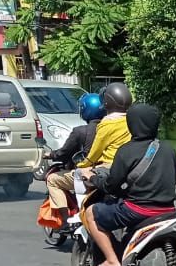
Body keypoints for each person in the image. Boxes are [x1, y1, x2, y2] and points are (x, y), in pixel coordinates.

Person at [82, 103, 176, 266]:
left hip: (138, 210)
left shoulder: (127, 151)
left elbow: (110, 186)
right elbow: (175, 178)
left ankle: (112, 261)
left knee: (91, 212)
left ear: (132, 124)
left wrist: (92, 178)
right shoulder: (168, 149)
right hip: (168, 210)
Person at [46, 82, 132, 219]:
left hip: (105, 169)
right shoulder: (131, 121)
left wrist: (81, 165)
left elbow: (94, 154)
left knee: (53, 180)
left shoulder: (104, 124)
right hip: (127, 169)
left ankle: (70, 218)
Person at [49, 93, 104, 171]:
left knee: (52, 178)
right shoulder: (110, 127)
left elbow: (64, 152)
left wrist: (51, 154)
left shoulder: (79, 131)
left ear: (85, 109)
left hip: (88, 171)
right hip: (107, 169)